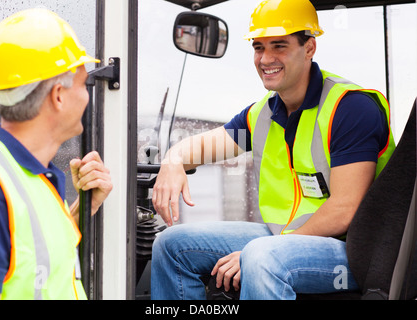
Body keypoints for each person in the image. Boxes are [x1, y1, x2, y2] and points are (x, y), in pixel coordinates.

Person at [150, 0, 395, 300]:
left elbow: (344, 212)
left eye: (279, 46)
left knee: (260, 258)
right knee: (172, 245)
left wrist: (264, 249)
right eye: (258, 47)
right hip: (282, 238)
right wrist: (174, 158)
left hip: (355, 250)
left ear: (309, 48)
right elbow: (203, 147)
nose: (266, 58)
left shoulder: (351, 109)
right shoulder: (262, 114)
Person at [0, 9, 112, 300]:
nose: (87, 95)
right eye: (84, 84)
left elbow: (36, 261)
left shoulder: (29, 176)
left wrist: (83, 208)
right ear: (58, 95)